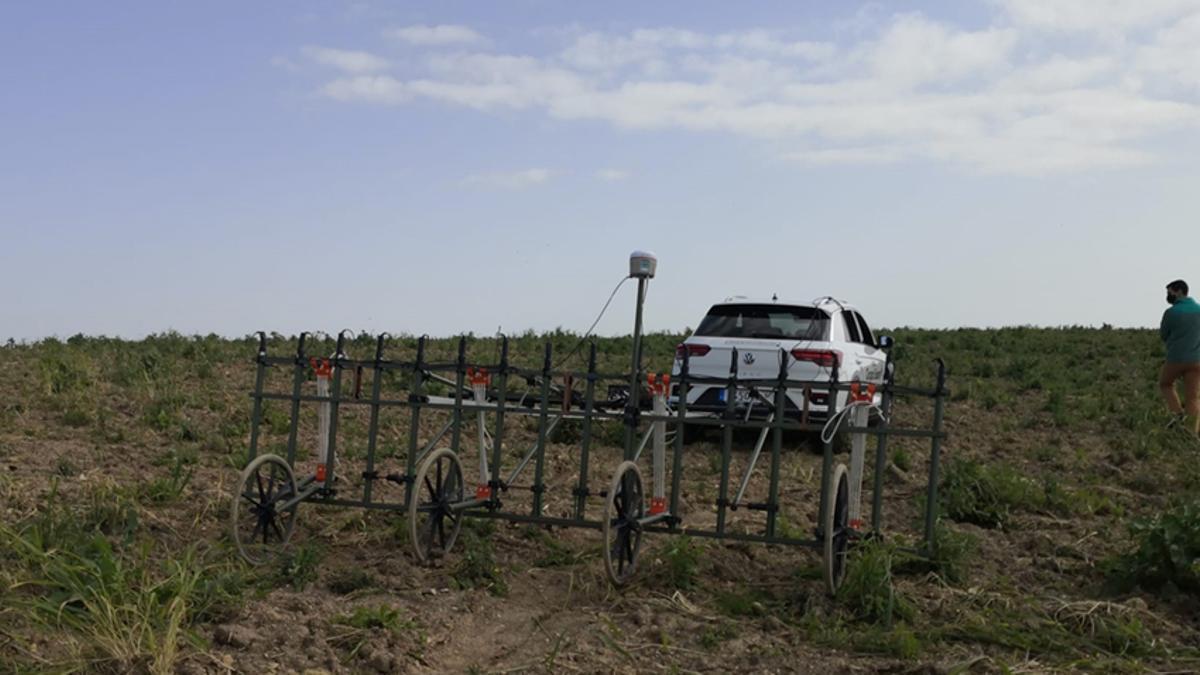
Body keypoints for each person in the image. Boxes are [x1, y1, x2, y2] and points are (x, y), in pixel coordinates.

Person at [1160, 279, 1200, 435]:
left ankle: (1177, 415)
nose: (1168, 295)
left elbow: (1164, 335)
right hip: (1196, 359)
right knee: (1193, 398)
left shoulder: (1171, 312)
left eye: (1169, 291)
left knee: (1166, 384)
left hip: (1176, 358)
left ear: (1179, 291)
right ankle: (1191, 433)